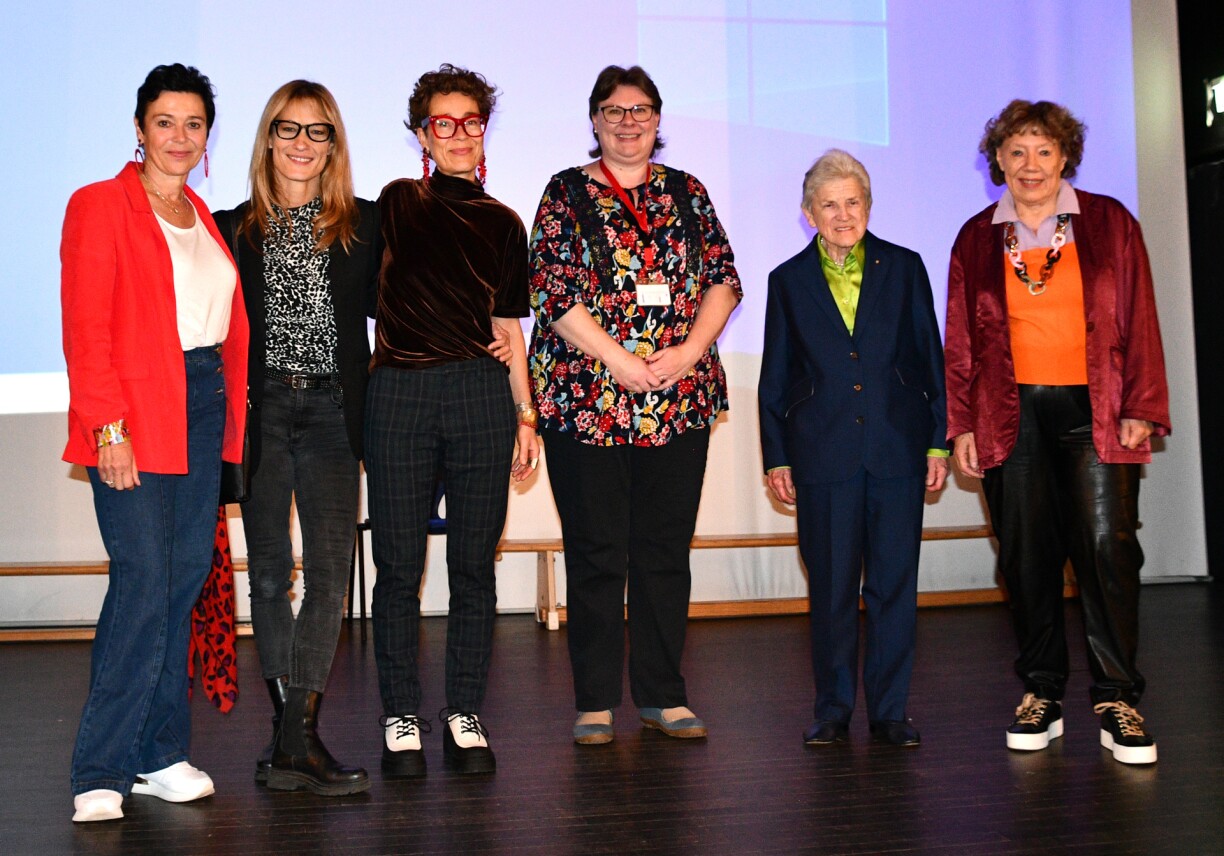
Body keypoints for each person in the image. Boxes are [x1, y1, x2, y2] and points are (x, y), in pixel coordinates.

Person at [945, 100, 1170, 764]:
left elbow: (1141, 313)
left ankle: (1118, 697)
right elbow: (959, 341)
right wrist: (961, 423)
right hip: (1008, 415)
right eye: (1016, 152)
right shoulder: (975, 237)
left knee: (1107, 547)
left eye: (1043, 151)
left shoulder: (1110, 223)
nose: (1030, 165)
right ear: (999, 165)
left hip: (1097, 410)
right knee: (1024, 555)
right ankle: (1041, 690)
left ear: (1065, 156)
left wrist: (1142, 403)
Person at [528, 65, 742, 746]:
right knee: (596, 554)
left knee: (662, 552)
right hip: (587, 400)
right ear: (594, 119)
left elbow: (723, 281)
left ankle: (662, 695)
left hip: (678, 402)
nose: (628, 121)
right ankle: (594, 702)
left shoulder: (688, 191)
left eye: (641, 109)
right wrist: (621, 361)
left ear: (658, 117)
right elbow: (552, 292)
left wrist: (685, 354)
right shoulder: (564, 193)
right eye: (614, 110)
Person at [61, 64, 248, 822]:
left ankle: (160, 754)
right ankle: (99, 766)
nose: (179, 136)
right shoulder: (100, 205)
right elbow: (87, 328)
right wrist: (109, 428)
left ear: (207, 136)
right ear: (139, 128)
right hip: (135, 413)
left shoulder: (200, 213)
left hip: (200, 406)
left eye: (194, 124)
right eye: (165, 121)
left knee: (180, 585)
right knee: (143, 587)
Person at [367, 64, 536, 777]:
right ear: (422, 135)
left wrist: (526, 416)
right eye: (444, 122)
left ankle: (464, 711)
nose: (460, 134)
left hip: (479, 395)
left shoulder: (504, 223)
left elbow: (508, 327)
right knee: (398, 565)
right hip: (400, 393)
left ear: (483, 130)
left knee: (473, 564)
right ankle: (400, 714)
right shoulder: (394, 204)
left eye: (472, 121)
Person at [213, 80, 379, 796]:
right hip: (263, 412)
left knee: (330, 575)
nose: (302, 144)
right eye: (289, 129)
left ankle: (292, 739)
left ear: (334, 146)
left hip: (335, 416)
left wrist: (491, 339)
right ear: (268, 138)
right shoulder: (230, 228)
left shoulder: (366, 227)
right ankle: (296, 741)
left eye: (318, 132)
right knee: (271, 573)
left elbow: (409, 311)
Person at [758, 149, 948, 748]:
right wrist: (777, 455)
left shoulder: (905, 266)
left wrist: (938, 444)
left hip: (897, 449)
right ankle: (834, 709)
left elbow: (930, 358)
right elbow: (777, 374)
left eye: (854, 202)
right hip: (822, 456)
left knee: (894, 586)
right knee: (833, 589)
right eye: (830, 204)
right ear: (808, 212)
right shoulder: (787, 281)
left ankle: (890, 712)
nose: (844, 214)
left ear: (868, 205)